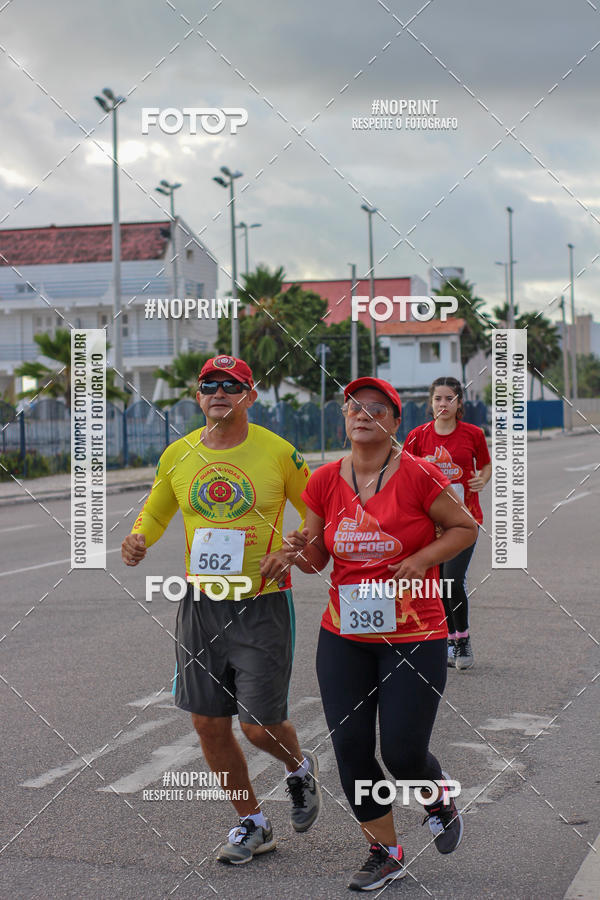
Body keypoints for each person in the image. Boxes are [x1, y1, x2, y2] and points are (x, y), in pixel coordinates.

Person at [121, 355, 321, 865]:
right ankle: (252, 824)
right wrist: (140, 536)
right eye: (210, 384)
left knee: (258, 725)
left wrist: (297, 546)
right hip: (201, 604)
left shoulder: (278, 452)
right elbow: (159, 507)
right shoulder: (179, 453)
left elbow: (322, 507)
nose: (219, 392)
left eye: (232, 386)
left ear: (250, 397)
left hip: (262, 602)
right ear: (198, 395)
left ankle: (298, 768)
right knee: (209, 723)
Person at [284, 376, 478, 891]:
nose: (362, 413)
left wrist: (420, 559)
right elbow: (316, 556)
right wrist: (295, 552)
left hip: (415, 633)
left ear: (395, 422)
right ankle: (384, 850)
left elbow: (464, 528)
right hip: (345, 632)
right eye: (353, 406)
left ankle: (436, 795)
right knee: (349, 746)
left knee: (402, 751)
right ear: (344, 418)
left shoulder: (418, 475)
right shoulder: (325, 480)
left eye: (376, 407)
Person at [404, 377, 492, 669]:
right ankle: (446, 638)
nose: (443, 404)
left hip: (465, 520)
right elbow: (403, 472)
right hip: (429, 524)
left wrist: (483, 478)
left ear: (459, 403)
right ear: (430, 403)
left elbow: (486, 463)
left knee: (451, 580)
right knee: (434, 586)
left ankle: (462, 639)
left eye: (449, 399)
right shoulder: (417, 436)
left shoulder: (473, 434)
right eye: (438, 399)